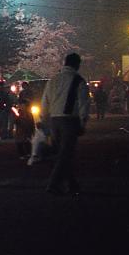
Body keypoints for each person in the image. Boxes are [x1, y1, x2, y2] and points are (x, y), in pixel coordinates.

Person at [39, 53, 90, 196]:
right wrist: (83, 121)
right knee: (65, 153)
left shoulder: (53, 79)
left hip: (54, 119)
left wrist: (44, 119)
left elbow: (45, 101)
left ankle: (72, 184)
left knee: (61, 153)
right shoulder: (78, 81)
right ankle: (53, 184)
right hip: (69, 120)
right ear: (77, 65)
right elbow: (83, 104)